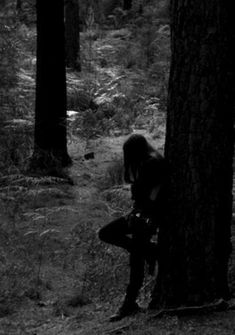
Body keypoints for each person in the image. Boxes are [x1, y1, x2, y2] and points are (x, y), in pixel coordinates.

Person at [98, 134, 167, 321]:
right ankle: (150, 252)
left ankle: (129, 304)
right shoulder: (151, 161)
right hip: (141, 214)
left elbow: (155, 192)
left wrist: (146, 213)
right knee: (108, 234)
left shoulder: (152, 164)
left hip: (145, 216)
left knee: (135, 260)